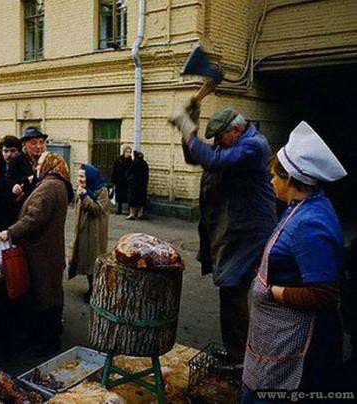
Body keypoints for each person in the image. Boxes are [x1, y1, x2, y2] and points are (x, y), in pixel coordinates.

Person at [241, 121, 346, 400]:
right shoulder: (299, 207)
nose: (271, 181)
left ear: (290, 179)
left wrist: (273, 292)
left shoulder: (311, 224)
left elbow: (323, 293)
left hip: (297, 346)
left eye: (274, 176)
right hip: (276, 338)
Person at [170, 103, 277, 366]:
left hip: (249, 232)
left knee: (232, 289)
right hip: (230, 228)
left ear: (237, 130)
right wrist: (189, 130)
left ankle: (241, 358)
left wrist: (188, 128)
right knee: (230, 291)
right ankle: (237, 352)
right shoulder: (231, 143)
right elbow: (196, 157)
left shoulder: (254, 146)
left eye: (220, 136)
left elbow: (214, 160)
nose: (217, 142)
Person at [0, 152, 73, 356]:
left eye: (39, 164)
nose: (36, 167)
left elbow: (34, 218)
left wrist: (10, 232)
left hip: (41, 253)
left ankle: (48, 343)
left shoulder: (49, 186)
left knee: (44, 298)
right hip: (49, 251)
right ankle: (50, 336)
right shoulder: (59, 184)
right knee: (52, 295)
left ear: (48, 165)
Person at [68, 163, 110, 303]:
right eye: (78, 175)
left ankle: (96, 290)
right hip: (83, 230)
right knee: (86, 260)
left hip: (95, 232)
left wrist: (85, 196)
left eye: (82, 176)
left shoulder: (101, 190)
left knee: (94, 261)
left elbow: (97, 210)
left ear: (90, 176)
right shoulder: (83, 189)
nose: (79, 179)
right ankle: (91, 287)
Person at [8, 126, 47, 197]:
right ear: (24, 144)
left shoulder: (47, 160)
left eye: (41, 142)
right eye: (33, 143)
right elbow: (10, 182)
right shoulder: (16, 161)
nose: (38, 146)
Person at [126, 150, 149, 220]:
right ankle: (140, 213)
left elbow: (129, 172)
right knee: (141, 200)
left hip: (134, 184)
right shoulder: (144, 164)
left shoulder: (134, 163)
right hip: (142, 185)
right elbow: (147, 175)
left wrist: (128, 178)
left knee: (132, 200)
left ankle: (132, 213)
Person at [111, 145, 132, 214]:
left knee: (127, 195)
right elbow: (114, 169)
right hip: (119, 180)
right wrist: (113, 180)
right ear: (124, 152)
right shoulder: (119, 159)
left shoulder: (130, 161)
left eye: (129, 152)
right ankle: (119, 209)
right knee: (119, 195)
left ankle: (129, 210)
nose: (128, 153)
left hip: (126, 181)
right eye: (127, 152)